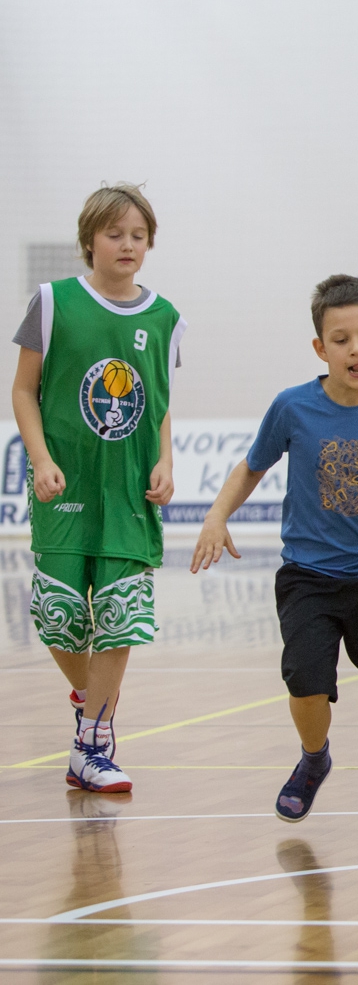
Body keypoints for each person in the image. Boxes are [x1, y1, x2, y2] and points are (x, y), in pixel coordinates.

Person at [192, 275, 358, 831]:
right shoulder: (292, 408)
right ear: (320, 348)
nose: (356, 349)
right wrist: (217, 515)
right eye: (341, 339)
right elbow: (252, 467)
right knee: (307, 685)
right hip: (308, 578)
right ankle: (314, 759)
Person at [12, 184, 184, 794]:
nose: (128, 245)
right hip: (66, 487)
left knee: (119, 619)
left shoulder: (166, 317)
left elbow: (159, 403)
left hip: (131, 494)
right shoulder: (53, 302)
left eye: (138, 235)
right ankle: (93, 696)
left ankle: (93, 742)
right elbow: (23, 389)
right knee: (57, 616)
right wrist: (40, 457)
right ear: (90, 241)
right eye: (115, 234)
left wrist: (165, 459)